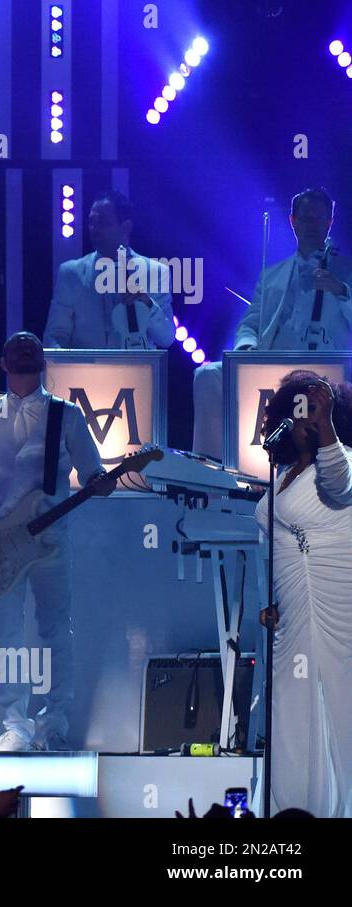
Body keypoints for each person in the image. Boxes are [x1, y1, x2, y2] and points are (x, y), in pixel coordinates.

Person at [0, 331, 115, 752]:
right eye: (17, 346)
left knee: (56, 631)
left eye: (33, 346)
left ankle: (55, 726)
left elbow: (90, 472)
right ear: (4, 362)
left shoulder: (65, 415)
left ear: (43, 360)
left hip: (51, 540)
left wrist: (100, 482)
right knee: (7, 633)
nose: (26, 349)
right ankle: (16, 728)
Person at [255, 371, 352, 817]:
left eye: (312, 411)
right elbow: (271, 546)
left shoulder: (341, 461)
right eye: (297, 412)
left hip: (339, 608)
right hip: (292, 618)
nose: (304, 421)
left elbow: (338, 483)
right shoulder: (281, 475)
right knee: (292, 721)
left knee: (343, 715)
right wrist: (269, 601)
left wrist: (327, 427)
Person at [193, 188, 352, 459]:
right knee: (208, 375)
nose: (311, 225)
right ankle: (211, 466)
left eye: (319, 219)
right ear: (293, 221)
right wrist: (245, 348)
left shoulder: (347, 270)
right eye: (305, 218)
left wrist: (341, 292)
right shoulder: (272, 274)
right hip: (271, 361)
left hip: (322, 366)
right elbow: (250, 323)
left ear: (329, 223)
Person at [43, 190, 175, 350]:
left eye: (103, 223)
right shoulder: (70, 273)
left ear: (126, 227)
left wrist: (148, 304)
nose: (94, 229)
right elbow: (55, 335)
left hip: (136, 372)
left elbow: (166, 338)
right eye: (92, 222)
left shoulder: (156, 272)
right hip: (85, 373)